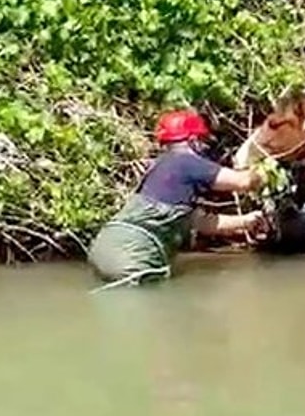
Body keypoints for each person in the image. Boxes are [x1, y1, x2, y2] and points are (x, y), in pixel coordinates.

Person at [87, 109, 269, 288]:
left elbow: (200, 223)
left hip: (103, 248)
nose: (205, 146)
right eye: (204, 141)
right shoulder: (188, 162)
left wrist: (246, 221)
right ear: (193, 141)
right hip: (133, 256)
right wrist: (266, 168)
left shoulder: (160, 167)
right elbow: (244, 181)